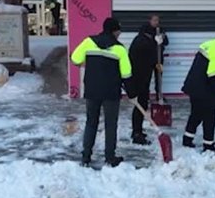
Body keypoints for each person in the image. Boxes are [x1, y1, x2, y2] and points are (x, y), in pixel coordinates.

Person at [71, 17, 136, 168]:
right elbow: (127, 74)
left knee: (91, 122)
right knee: (110, 125)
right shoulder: (120, 48)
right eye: (119, 30)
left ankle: (86, 157)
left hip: (92, 89)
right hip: (111, 92)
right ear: (115, 31)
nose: (120, 33)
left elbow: (75, 59)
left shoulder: (89, 41)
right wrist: (132, 93)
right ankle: (110, 157)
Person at [128, 23, 158, 145]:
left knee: (140, 106)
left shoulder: (138, 39)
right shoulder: (146, 43)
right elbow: (151, 58)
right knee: (141, 106)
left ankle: (137, 130)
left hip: (137, 78)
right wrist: (156, 63)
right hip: (141, 79)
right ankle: (137, 134)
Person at [146, 14, 169, 100]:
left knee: (159, 77)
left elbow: (166, 42)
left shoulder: (161, 30)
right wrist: (153, 39)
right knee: (146, 77)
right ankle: (145, 95)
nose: (156, 22)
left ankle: (159, 95)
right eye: (154, 20)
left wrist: (163, 38)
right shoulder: (145, 30)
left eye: (157, 20)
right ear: (150, 21)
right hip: (148, 58)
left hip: (159, 59)